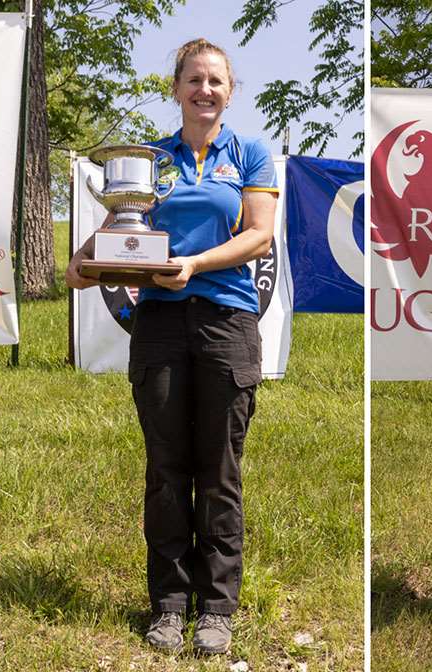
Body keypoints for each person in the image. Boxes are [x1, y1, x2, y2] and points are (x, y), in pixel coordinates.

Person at [66, 37, 278, 656]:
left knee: (219, 469)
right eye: (194, 79)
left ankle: (216, 609)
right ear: (176, 88)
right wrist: (87, 260)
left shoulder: (251, 155)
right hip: (158, 324)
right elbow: (105, 247)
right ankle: (168, 605)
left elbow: (260, 237)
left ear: (230, 92)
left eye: (216, 80)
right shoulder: (147, 162)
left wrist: (194, 263)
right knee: (165, 470)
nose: (204, 90)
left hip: (227, 320)